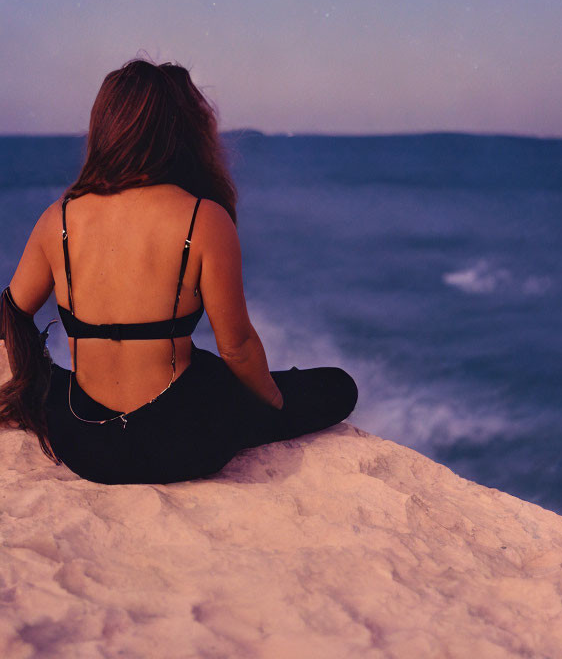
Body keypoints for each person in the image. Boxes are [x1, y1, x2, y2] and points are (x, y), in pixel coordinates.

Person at [0, 58, 358, 484]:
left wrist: (31, 379)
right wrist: (274, 403)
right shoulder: (203, 219)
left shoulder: (57, 219)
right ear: (181, 129)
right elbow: (238, 346)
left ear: (105, 128)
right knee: (334, 386)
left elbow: (11, 310)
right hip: (178, 442)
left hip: (84, 442)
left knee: (70, 388)